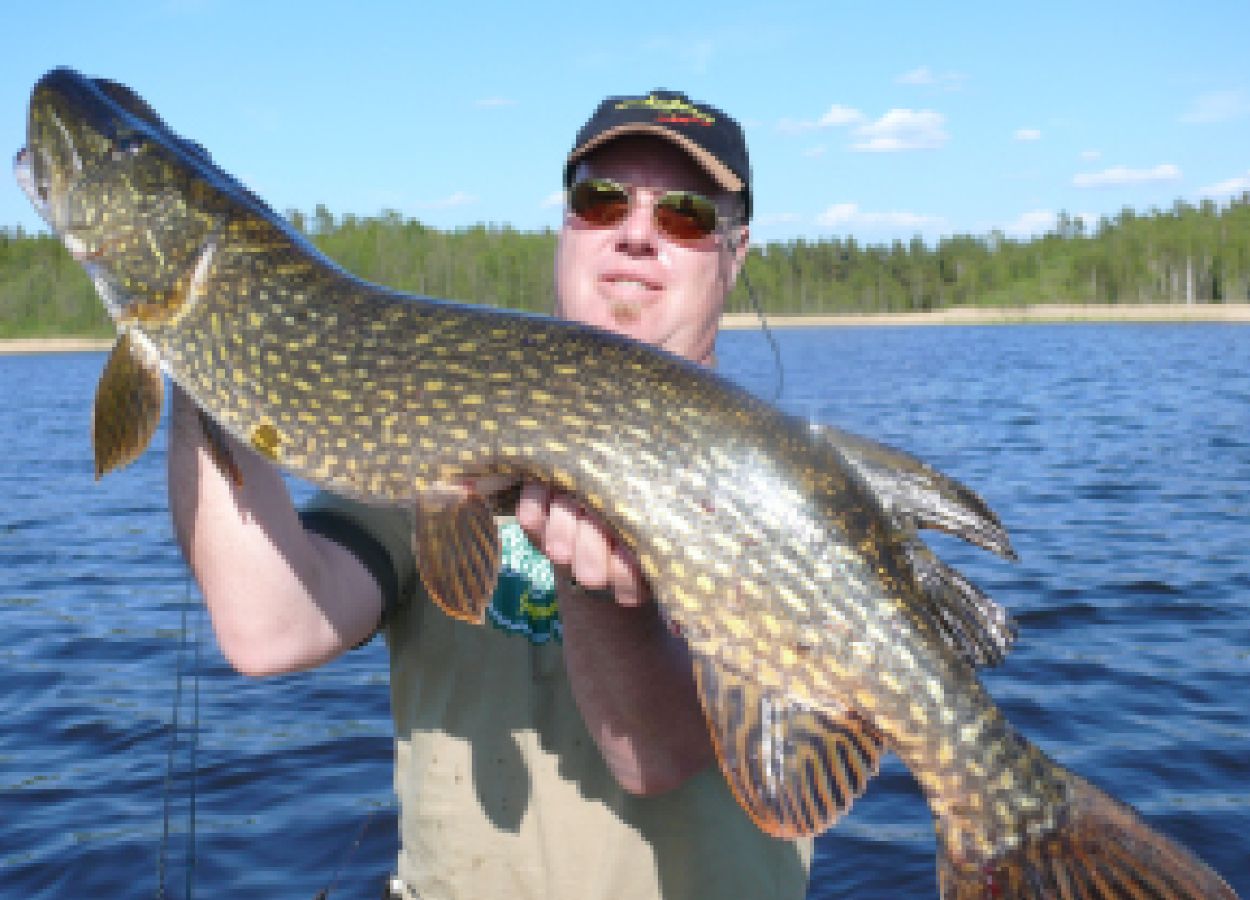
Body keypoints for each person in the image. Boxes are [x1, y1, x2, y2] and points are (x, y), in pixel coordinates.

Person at [168, 90, 812, 899]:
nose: (637, 234)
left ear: (735, 250)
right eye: (601, 199)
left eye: (684, 214)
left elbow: (655, 756)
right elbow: (267, 630)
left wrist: (604, 601)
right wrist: (198, 326)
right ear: (566, 225)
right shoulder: (423, 437)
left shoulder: (783, 506)